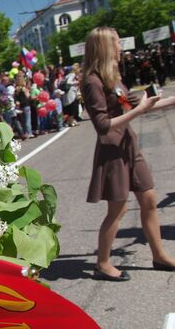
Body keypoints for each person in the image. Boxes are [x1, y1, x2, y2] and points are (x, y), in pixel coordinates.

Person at [81, 26, 175, 281]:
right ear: (105, 47)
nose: (121, 47)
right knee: (118, 210)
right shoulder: (92, 81)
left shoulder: (112, 77)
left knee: (150, 199)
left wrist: (170, 100)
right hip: (112, 151)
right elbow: (102, 125)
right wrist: (140, 108)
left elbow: (140, 106)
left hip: (128, 146)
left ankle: (159, 255)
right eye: (117, 43)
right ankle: (102, 263)